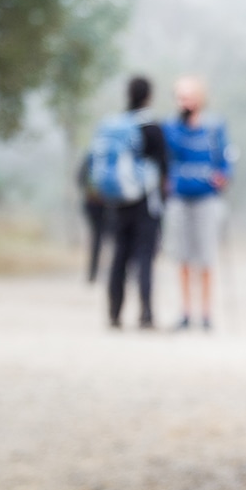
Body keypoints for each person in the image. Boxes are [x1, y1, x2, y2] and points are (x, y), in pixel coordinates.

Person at [91, 76, 167, 329]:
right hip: (145, 201)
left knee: (119, 256)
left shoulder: (115, 125)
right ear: (149, 96)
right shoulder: (151, 127)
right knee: (145, 256)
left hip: (117, 202)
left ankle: (114, 313)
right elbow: (164, 166)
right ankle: (146, 314)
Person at [162, 76, 232, 331]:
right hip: (179, 198)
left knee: (206, 256)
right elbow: (165, 157)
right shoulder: (170, 127)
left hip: (206, 198)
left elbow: (226, 158)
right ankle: (185, 311)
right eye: (180, 97)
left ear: (200, 98)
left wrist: (223, 177)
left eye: (189, 96)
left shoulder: (214, 127)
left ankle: (206, 313)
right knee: (182, 255)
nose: (184, 102)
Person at [76, 151, 109, 283]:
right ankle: (116, 272)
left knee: (96, 238)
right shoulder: (118, 154)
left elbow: (79, 178)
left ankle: (92, 273)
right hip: (113, 204)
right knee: (116, 240)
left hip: (92, 203)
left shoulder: (91, 156)